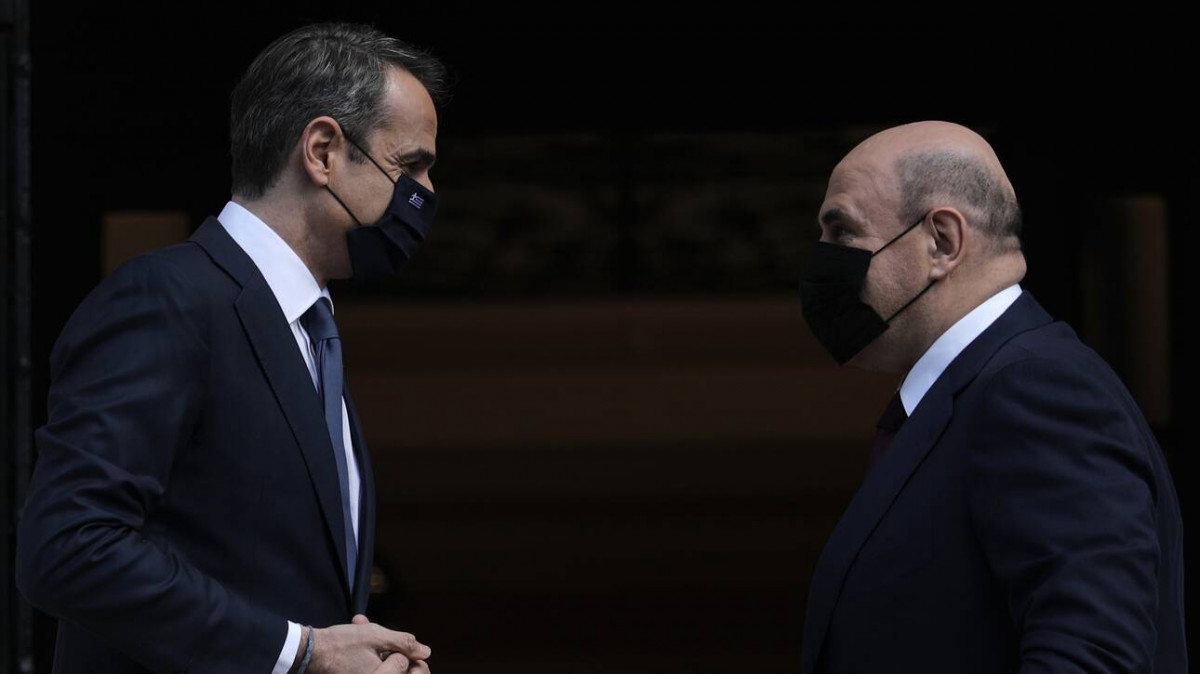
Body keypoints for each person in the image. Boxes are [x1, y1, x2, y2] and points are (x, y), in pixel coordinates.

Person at [16, 22, 446, 674]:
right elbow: (69, 548)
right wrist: (302, 652)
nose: (426, 193)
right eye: (409, 165)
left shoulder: (309, 330)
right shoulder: (170, 299)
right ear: (323, 151)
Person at [797, 121, 1186, 673]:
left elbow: (1093, 655)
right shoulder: (978, 389)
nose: (822, 261)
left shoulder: (1036, 390)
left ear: (942, 242)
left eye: (842, 233)